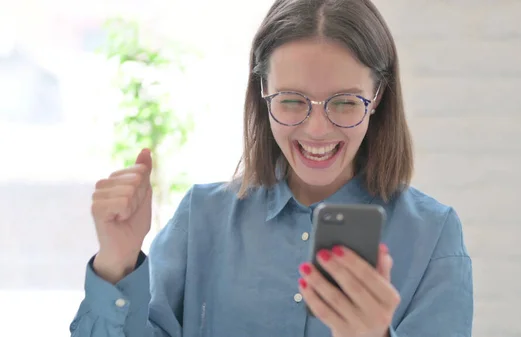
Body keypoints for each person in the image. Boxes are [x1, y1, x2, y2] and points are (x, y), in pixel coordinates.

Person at [69, 0, 474, 336]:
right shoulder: (202, 218)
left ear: (378, 96)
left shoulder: (433, 236)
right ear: (262, 93)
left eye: (346, 102)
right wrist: (116, 262)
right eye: (292, 100)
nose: (317, 129)